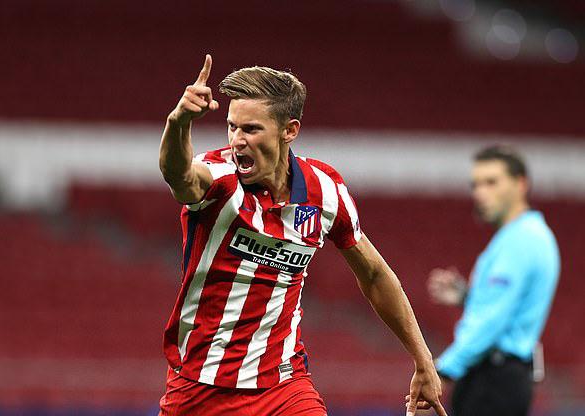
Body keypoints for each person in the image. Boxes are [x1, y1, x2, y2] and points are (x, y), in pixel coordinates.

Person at [158, 54, 446, 416]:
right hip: (200, 386)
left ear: (289, 130)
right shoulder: (218, 178)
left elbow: (374, 274)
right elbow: (179, 175)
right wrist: (179, 122)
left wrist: (422, 359)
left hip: (283, 385)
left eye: (251, 129)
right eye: (232, 127)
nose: (237, 141)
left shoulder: (324, 192)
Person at [426, 145, 560, 415]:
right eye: (475, 184)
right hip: (500, 379)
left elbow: (490, 322)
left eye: (491, 182)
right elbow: (505, 310)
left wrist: (441, 371)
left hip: (492, 382)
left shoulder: (521, 240)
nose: (480, 192)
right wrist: (468, 298)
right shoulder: (527, 235)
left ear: (521, 184)